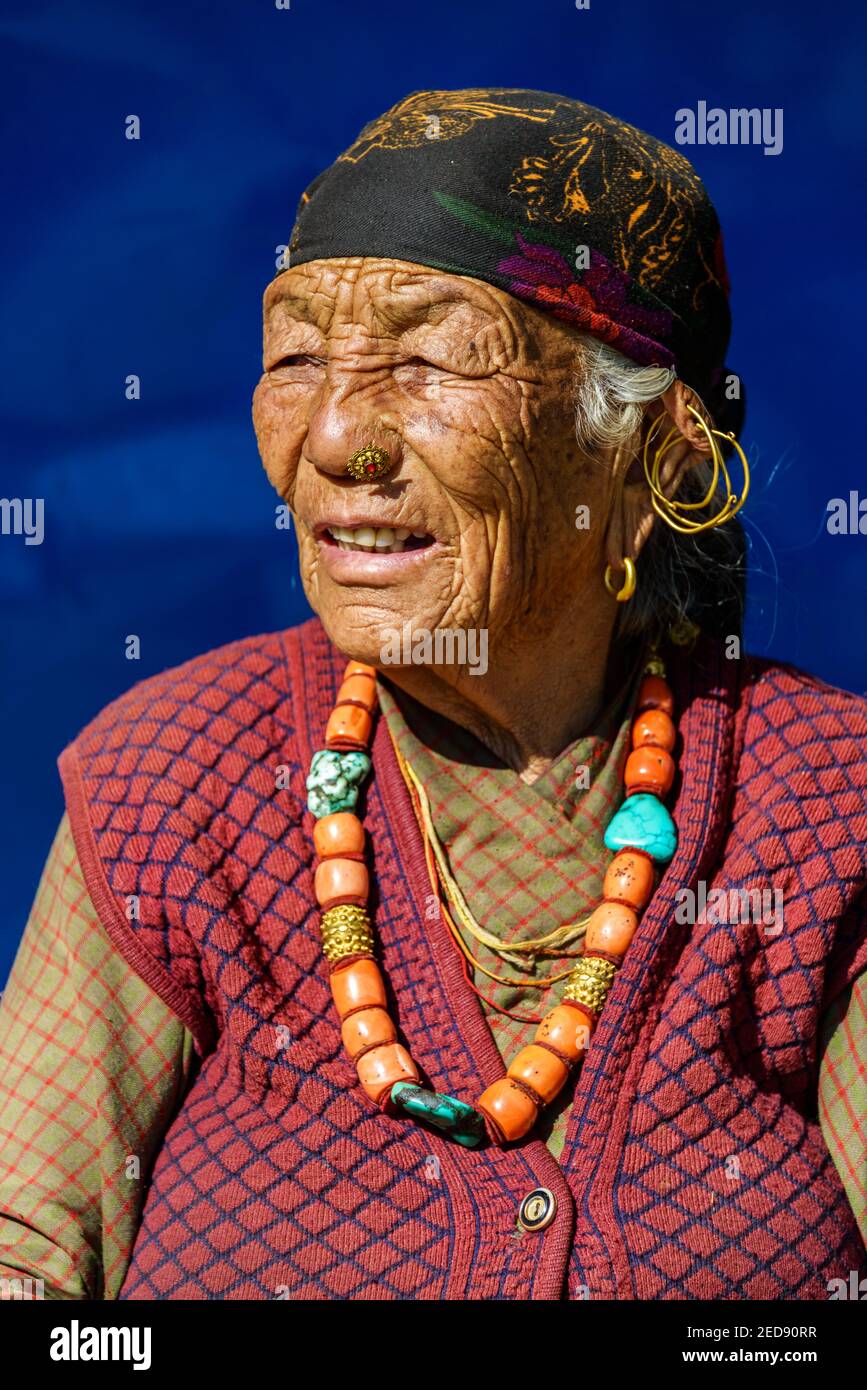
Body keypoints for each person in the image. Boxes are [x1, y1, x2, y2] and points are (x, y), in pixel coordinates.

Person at [1, 88, 864, 1301]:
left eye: (431, 356)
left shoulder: (827, 809)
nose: (340, 433)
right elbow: (25, 1259)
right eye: (297, 356)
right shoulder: (171, 782)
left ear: (654, 454)